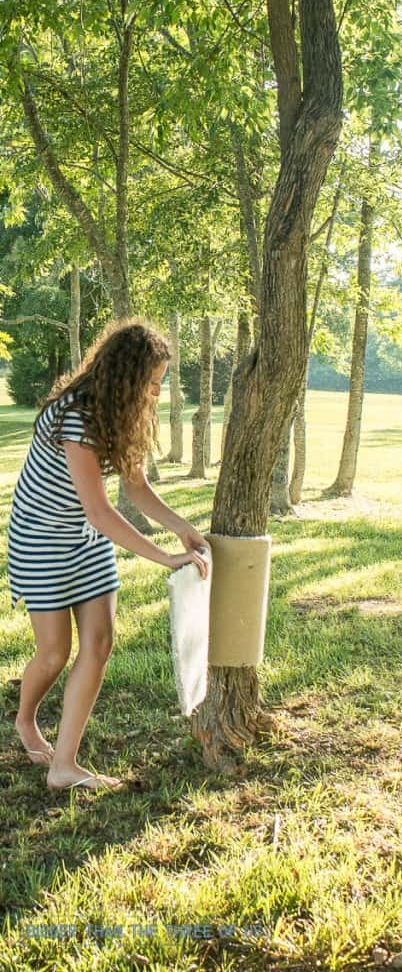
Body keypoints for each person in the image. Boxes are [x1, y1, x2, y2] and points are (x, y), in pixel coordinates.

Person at [8, 319, 210, 792]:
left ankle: (64, 766)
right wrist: (165, 558)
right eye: (153, 383)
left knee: (98, 645)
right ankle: (24, 720)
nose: (156, 394)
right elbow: (100, 511)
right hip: (42, 538)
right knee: (55, 652)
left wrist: (183, 529)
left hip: (85, 537)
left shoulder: (124, 413)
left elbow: (136, 489)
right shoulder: (75, 416)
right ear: (126, 376)